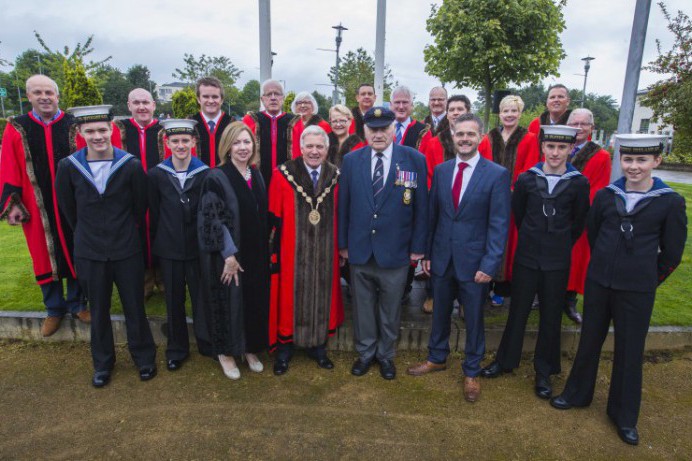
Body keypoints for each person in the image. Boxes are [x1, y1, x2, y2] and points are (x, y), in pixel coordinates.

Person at [550, 134, 687, 446]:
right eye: (628, 160)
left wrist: (647, 279)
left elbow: (672, 253)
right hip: (599, 284)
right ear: (620, 160)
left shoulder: (670, 202)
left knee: (629, 351)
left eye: (641, 160)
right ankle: (577, 393)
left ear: (656, 161)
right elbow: (595, 234)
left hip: (637, 290)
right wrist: (604, 268)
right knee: (589, 343)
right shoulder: (607, 196)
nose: (634, 166)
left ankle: (624, 416)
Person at [406, 113, 510, 404]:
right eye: (459, 134)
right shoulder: (441, 171)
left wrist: (490, 264)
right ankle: (437, 357)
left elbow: (499, 224)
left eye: (470, 134)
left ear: (480, 138)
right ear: (452, 137)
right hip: (441, 258)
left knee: (473, 319)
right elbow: (433, 216)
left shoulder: (496, 174)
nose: (464, 139)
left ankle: (472, 371)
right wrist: (426, 254)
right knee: (439, 314)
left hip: (475, 264)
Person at [480, 125, 590, 400]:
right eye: (550, 147)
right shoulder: (528, 179)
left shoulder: (578, 182)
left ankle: (544, 370)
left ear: (569, 149)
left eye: (561, 147)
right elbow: (518, 215)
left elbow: (578, 223)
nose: (555, 152)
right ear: (542, 147)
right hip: (527, 257)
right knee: (517, 311)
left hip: (556, 260)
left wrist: (557, 243)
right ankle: (505, 361)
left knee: (551, 316)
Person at [55, 105, 157, 388]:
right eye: (91, 131)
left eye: (102, 130)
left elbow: (140, 207)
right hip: (90, 251)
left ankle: (144, 358)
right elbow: (68, 210)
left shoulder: (131, 165)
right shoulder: (68, 167)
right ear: (80, 133)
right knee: (98, 310)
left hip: (126, 248)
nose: (98, 136)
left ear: (111, 130)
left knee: (134, 306)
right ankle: (102, 363)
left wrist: (119, 231)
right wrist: (89, 234)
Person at [338, 107, 428, 380]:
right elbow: (344, 205)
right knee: (363, 308)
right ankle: (365, 353)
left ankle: (386, 356)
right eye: (372, 129)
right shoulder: (352, 160)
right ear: (364, 131)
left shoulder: (414, 159)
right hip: (360, 249)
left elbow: (422, 207)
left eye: (383, 128)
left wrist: (418, 246)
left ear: (393, 129)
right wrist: (343, 243)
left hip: (396, 250)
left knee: (390, 310)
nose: (378, 134)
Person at [0, 74, 89, 337]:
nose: (44, 97)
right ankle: (54, 309)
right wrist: (12, 202)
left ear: (57, 96)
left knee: (76, 249)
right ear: (29, 96)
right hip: (35, 202)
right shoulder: (17, 127)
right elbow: (8, 165)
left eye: (49, 92)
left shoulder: (73, 125)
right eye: (38, 92)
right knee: (42, 253)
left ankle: (77, 304)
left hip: (72, 202)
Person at [268, 125, 344, 375]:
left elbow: (342, 215)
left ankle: (318, 346)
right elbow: (272, 219)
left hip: (326, 251)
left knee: (323, 291)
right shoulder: (283, 174)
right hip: (291, 251)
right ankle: (285, 348)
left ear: (327, 149)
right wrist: (272, 252)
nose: (314, 151)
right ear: (300, 148)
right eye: (309, 146)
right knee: (288, 295)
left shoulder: (335, 176)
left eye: (319, 147)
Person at [197, 122, 270, 380]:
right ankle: (226, 353)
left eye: (247, 142)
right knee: (228, 303)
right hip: (227, 256)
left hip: (255, 254)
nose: (242, 147)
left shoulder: (255, 174)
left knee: (252, 301)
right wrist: (228, 255)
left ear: (253, 145)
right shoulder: (216, 177)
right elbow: (212, 219)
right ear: (227, 147)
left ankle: (249, 348)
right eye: (237, 143)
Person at [147, 119, 211, 371]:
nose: (181, 145)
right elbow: (153, 211)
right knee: (173, 301)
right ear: (167, 143)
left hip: (197, 248)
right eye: (175, 141)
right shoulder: (156, 174)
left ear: (194, 142)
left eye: (186, 140)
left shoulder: (205, 172)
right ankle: (176, 349)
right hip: (170, 249)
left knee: (200, 299)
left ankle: (206, 343)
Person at [477, 95, 539, 307]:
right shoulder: (488, 138)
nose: (509, 115)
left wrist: (513, 190)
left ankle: (502, 288)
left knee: (509, 242)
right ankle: (485, 284)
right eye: (505, 111)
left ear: (520, 113)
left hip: (514, 200)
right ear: (499, 113)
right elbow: (482, 166)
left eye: (514, 111)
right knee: (486, 239)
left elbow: (529, 169)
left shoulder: (529, 139)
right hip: (488, 199)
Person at [563, 108, 612, 324]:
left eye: (584, 124)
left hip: (580, 217)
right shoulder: (559, 147)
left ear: (591, 128)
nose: (579, 128)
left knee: (576, 260)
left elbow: (598, 188)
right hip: (552, 215)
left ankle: (569, 301)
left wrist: (575, 209)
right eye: (575, 123)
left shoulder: (600, 155)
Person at [120, 88, 165, 298]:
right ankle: (145, 282)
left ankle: (163, 279)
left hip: (161, 195)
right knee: (137, 236)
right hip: (130, 196)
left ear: (154, 105)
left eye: (145, 102)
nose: (141, 107)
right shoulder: (118, 131)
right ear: (129, 106)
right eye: (136, 102)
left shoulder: (166, 131)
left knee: (162, 231)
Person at [242, 79, 293, 187]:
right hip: (256, 181)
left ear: (283, 98)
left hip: (288, 182)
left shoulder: (294, 123)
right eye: (269, 94)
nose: (273, 97)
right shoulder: (250, 120)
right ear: (262, 99)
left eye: (277, 94)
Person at [423, 95, 471, 187]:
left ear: (468, 113)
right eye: (452, 110)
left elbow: (486, 173)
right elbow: (429, 177)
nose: (455, 113)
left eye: (460, 109)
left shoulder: (481, 141)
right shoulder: (434, 143)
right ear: (447, 115)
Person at [190, 76, 233, 168]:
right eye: (205, 96)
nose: (210, 101)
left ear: (221, 99)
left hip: (225, 179)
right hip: (198, 180)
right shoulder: (189, 124)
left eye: (215, 97)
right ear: (198, 99)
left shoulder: (232, 124)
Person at [528, 85, 572, 155]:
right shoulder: (535, 124)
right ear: (547, 102)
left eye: (560, 97)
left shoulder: (576, 125)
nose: (556, 100)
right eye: (552, 97)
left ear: (568, 101)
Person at [289, 91, 332, 158]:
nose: (302, 106)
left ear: (313, 105)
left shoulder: (323, 125)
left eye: (306, 102)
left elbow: (330, 150)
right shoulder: (291, 125)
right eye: (299, 103)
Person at [390, 85, 432, 153]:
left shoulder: (423, 131)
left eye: (405, 102)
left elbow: (426, 161)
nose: (401, 107)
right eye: (397, 102)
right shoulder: (381, 127)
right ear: (391, 105)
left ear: (412, 105)